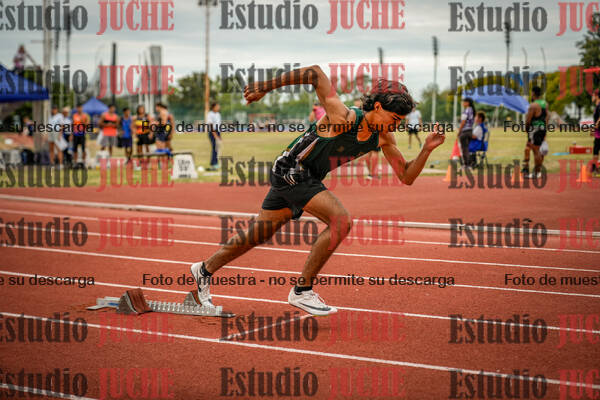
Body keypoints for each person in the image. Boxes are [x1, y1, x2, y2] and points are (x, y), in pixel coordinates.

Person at [189, 66, 445, 316]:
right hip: (291, 169)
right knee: (341, 221)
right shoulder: (344, 118)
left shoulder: (384, 137)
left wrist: (426, 150)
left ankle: (203, 270)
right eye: (395, 119)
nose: (396, 126)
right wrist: (265, 87)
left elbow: (406, 176)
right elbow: (315, 73)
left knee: (258, 234)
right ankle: (302, 291)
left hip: (307, 177)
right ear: (378, 107)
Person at [524, 87, 549, 178]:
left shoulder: (533, 105)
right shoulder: (545, 104)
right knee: (539, 150)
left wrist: (527, 130)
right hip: (542, 128)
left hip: (535, 129)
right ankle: (537, 171)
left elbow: (528, 120)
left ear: (533, 93)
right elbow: (547, 117)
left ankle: (536, 173)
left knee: (536, 151)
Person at [457, 98, 475, 168]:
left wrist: (459, 131)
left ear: (468, 103)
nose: (463, 103)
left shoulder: (466, 110)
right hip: (470, 131)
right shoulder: (472, 110)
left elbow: (463, 122)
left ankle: (466, 164)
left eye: (464, 102)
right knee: (467, 148)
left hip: (465, 131)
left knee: (464, 148)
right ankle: (470, 163)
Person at [207, 102, 222, 171]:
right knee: (214, 148)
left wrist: (219, 135)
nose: (218, 108)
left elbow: (218, 125)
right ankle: (213, 163)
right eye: (217, 106)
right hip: (212, 132)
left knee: (217, 148)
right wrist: (215, 135)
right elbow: (210, 125)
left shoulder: (218, 114)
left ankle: (215, 162)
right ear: (213, 107)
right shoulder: (210, 114)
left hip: (217, 131)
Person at [590, 89, 600, 174]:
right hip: (598, 131)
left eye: (593, 95)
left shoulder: (599, 105)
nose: (592, 97)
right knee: (596, 148)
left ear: (596, 96)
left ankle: (594, 167)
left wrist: (595, 126)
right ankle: (594, 167)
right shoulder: (597, 106)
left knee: (596, 148)